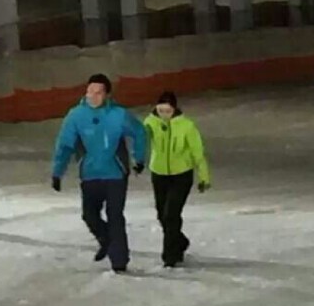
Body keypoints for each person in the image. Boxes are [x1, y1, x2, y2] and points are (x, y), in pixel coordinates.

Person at [51, 74, 146, 274]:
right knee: (89, 215)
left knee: (115, 216)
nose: (93, 96)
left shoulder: (118, 115)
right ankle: (106, 240)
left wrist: (139, 158)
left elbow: (139, 132)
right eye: (90, 92)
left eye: (98, 92)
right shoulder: (76, 115)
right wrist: (57, 172)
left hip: (115, 174)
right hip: (90, 174)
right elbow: (65, 145)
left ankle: (119, 261)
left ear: (107, 95)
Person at [144, 92, 210, 268]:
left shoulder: (187, 126)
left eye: (168, 111)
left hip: (181, 175)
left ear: (174, 109)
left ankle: (170, 256)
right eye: (161, 110)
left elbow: (197, 152)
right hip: (159, 174)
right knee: (162, 215)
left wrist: (204, 176)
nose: (164, 115)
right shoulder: (150, 122)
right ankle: (179, 241)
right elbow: (141, 140)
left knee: (171, 214)